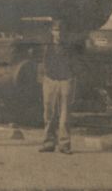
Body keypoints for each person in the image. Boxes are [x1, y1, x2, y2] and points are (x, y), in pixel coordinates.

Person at [39, 20, 75, 155]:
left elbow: (74, 62)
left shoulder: (69, 47)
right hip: (50, 81)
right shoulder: (47, 46)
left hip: (65, 81)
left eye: (60, 30)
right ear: (51, 31)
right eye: (55, 30)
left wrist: (70, 77)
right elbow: (42, 62)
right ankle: (48, 142)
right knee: (48, 113)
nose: (58, 33)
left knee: (64, 114)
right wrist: (45, 78)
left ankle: (64, 144)